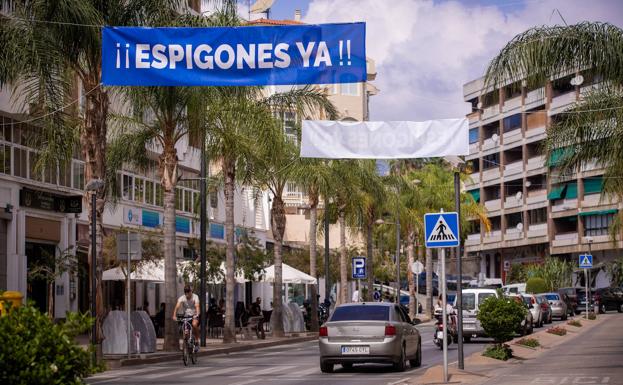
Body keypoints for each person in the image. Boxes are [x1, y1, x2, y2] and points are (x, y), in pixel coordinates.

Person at [172, 285, 200, 352]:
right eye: (186, 292)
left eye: (188, 292)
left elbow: (197, 306)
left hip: (194, 315)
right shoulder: (182, 298)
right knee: (186, 331)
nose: (187, 294)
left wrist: (197, 314)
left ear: (191, 291)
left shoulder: (195, 297)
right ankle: (186, 346)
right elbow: (177, 307)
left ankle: (196, 341)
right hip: (186, 316)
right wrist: (174, 315)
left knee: (194, 325)